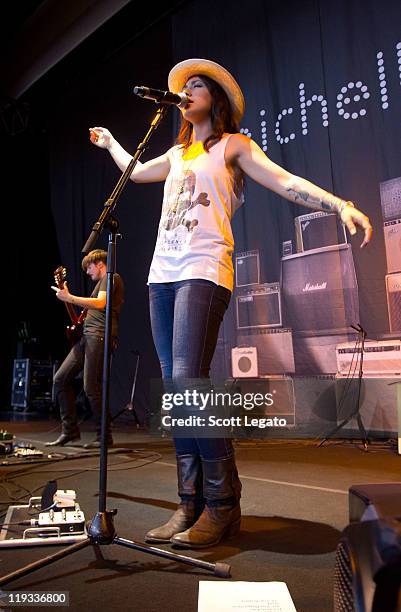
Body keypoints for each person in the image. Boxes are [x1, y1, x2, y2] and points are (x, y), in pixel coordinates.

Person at [89, 58, 372, 548]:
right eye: (186, 86)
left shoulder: (234, 146)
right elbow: (135, 174)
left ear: (215, 100)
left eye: (198, 85)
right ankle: (189, 502)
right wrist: (113, 142)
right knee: (176, 395)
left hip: (203, 272)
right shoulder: (178, 154)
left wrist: (339, 204)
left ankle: (222, 504)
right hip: (162, 277)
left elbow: (285, 181)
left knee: (187, 383)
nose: (189, 91)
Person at [47, 249, 124, 449]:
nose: (87, 272)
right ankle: (70, 431)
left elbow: (100, 303)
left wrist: (70, 297)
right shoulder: (99, 284)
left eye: (89, 267)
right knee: (60, 379)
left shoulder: (112, 277)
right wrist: (67, 298)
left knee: (91, 387)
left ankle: (104, 436)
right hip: (87, 337)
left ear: (99, 264)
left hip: (100, 336)